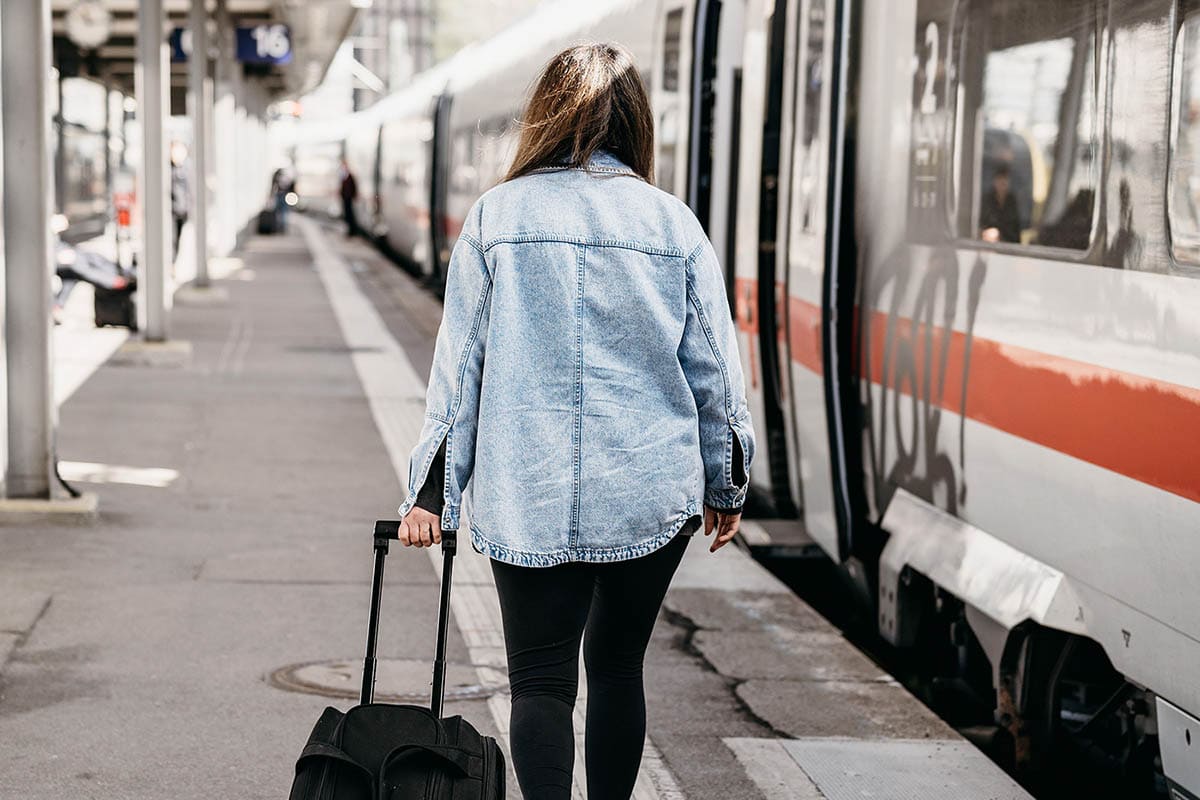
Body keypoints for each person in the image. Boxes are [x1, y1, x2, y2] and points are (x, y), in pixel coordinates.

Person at [395, 43, 755, 800]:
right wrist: (725, 483)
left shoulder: (498, 217)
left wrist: (431, 493)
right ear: (637, 123)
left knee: (539, 680)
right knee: (620, 666)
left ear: (544, 118)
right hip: (647, 488)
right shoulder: (674, 224)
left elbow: (462, 368)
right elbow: (715, 374)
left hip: (528, 485)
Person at [979, 161, 1021, 244]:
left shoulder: (1012, 201)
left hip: (1008, 244)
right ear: (994, 181)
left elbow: (1015, 228)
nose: (1002, 183)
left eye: (1005, 179)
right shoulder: (987, 200)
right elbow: (982, 223)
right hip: (988, 244)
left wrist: (1000, 234)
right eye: (999, 179)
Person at [169, 142, 191, 261]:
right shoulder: (167, 169)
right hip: (171, 210)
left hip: (182, 210)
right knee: (171, 239)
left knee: (177, 239)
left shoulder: (186, 169)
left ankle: (174, 262)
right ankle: (171, 263)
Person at [338, 158, 358, 237]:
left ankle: (352, 231)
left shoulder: (349, 176)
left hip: (348, 198)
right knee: (347, 214)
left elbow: (353, 187)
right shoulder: (344, 176)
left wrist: (353, 195)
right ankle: (350, 230)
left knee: (349, 215)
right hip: (346, 198)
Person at [270, 167, 294, 233]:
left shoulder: (277, 177)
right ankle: (282, 228)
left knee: (278, 212)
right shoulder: (287, 177)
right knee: (284, 212)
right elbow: (292, 187)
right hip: (286, 196)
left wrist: (271, 196)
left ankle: (278, 227)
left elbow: (274, 187)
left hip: (280, 195)